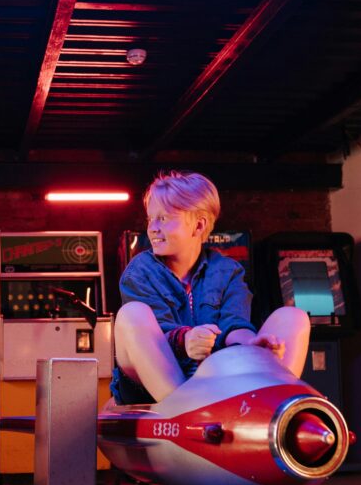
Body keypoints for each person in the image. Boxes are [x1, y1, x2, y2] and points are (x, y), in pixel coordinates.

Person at [110, 170, 310, 405]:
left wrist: (252, 344)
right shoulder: (141, 270)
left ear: (198, 226)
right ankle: (181, 406)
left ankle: (273, 405)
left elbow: (234, 324)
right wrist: (186, 341)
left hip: (212, 380)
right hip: (147, 386)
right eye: (150, 219)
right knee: (131, 314)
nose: (152, 228)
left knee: (294, 317)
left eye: (163, 218)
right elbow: (153, 335)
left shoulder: (228, 271)